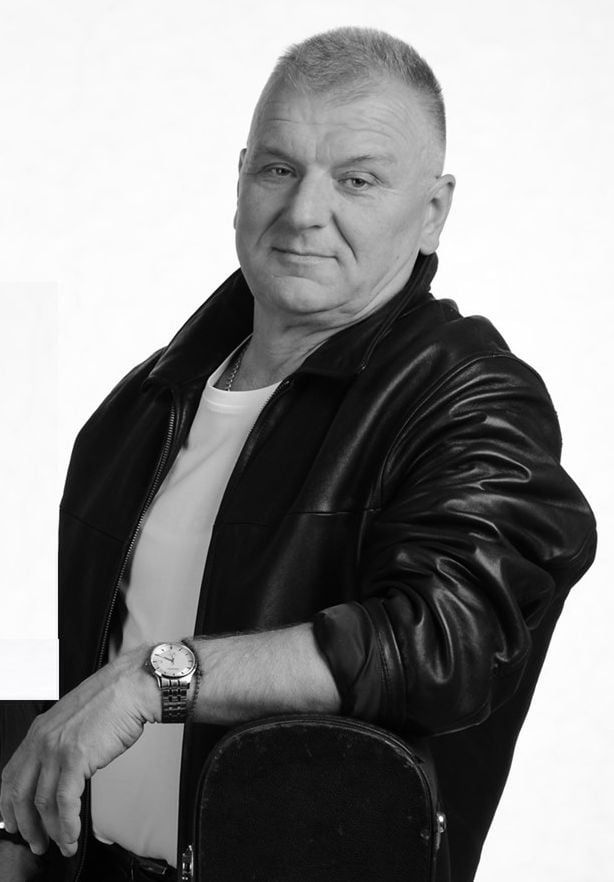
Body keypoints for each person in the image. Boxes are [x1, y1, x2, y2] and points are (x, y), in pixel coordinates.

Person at [0, 25, 596, 882]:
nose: (305, 211)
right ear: (241, 179)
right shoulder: (142, 409)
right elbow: (67, 687)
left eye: (357, 179)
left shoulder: (469, 394)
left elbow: (442, 642)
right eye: (279, 169)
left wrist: (158, 679)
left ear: (433, 211)